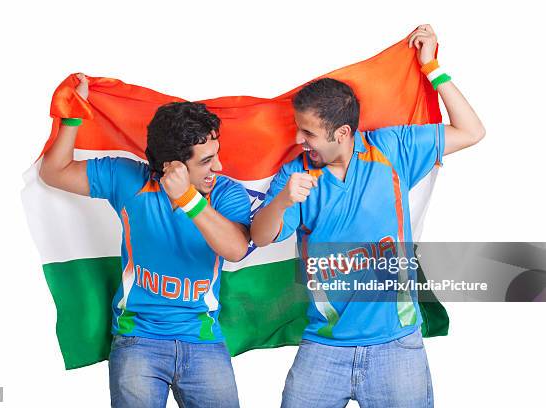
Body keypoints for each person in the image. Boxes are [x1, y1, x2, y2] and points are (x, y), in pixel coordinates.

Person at [250, 24, 485, 408]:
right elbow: (259, 237)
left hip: (397, 345)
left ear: (342, 132)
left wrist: (431, 66)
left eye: (307, 132)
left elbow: (471, 131)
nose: (298, 140)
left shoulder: (392, 149)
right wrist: (281, 202)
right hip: (324, 346)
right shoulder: (296, 173)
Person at [39, 75, 251, 408]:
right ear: (173, 167)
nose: (218, 167)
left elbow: (236, 249)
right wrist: (72, 115)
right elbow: (53, 171)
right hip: (138, 339)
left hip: (203, 339)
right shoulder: (128, 179)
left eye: (216, 155)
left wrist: (188, 199)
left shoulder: (226, 193)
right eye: (207, 161)